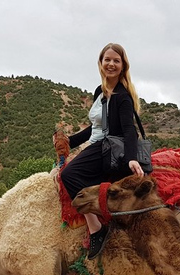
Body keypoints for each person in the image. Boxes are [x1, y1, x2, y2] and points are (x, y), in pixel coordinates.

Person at [57, 43, 145, 259]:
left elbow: (128, 130)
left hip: (107, 148)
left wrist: (132, 159)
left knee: (68, 175)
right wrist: (70, 140)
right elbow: (96, 128)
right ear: (101, 62)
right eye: (107, 59)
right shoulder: (101, 91)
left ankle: (96, 227)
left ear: (123, 65)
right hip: (97, 144)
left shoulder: (122, 96)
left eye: (116, 60)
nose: (111, 64)